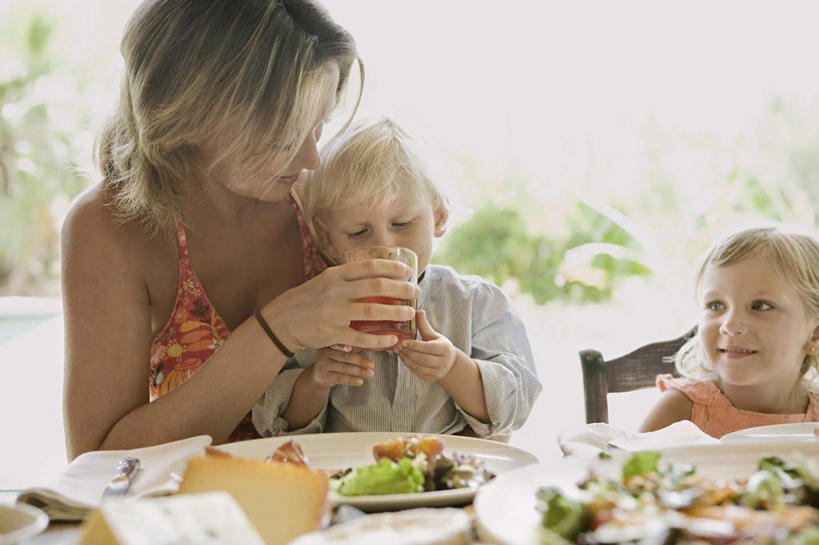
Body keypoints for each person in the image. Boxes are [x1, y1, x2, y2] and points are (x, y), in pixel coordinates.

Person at [61, 1, 421, 459]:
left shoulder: (323, 202)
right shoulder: (110, 227)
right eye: (286, 134)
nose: (312, 158)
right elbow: (95, 462)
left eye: (320, 125)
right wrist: (279, 328)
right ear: (190, 111)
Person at [252, 117, 542, 438]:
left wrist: (453, 368)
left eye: (402, 223)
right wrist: (316, 380)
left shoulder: (477, 303)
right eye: (358, 232)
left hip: (445, 477)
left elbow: (517, 404)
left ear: (439, 215)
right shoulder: (317, 312)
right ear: (327, 237)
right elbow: (271, 422)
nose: (385, 248)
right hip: (348, 477)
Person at [640, 225, 819, 438]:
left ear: (815, 333)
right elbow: (627, 470)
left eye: (760, 306)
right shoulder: (679, 412)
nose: (730, 325)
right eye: (716, 305)